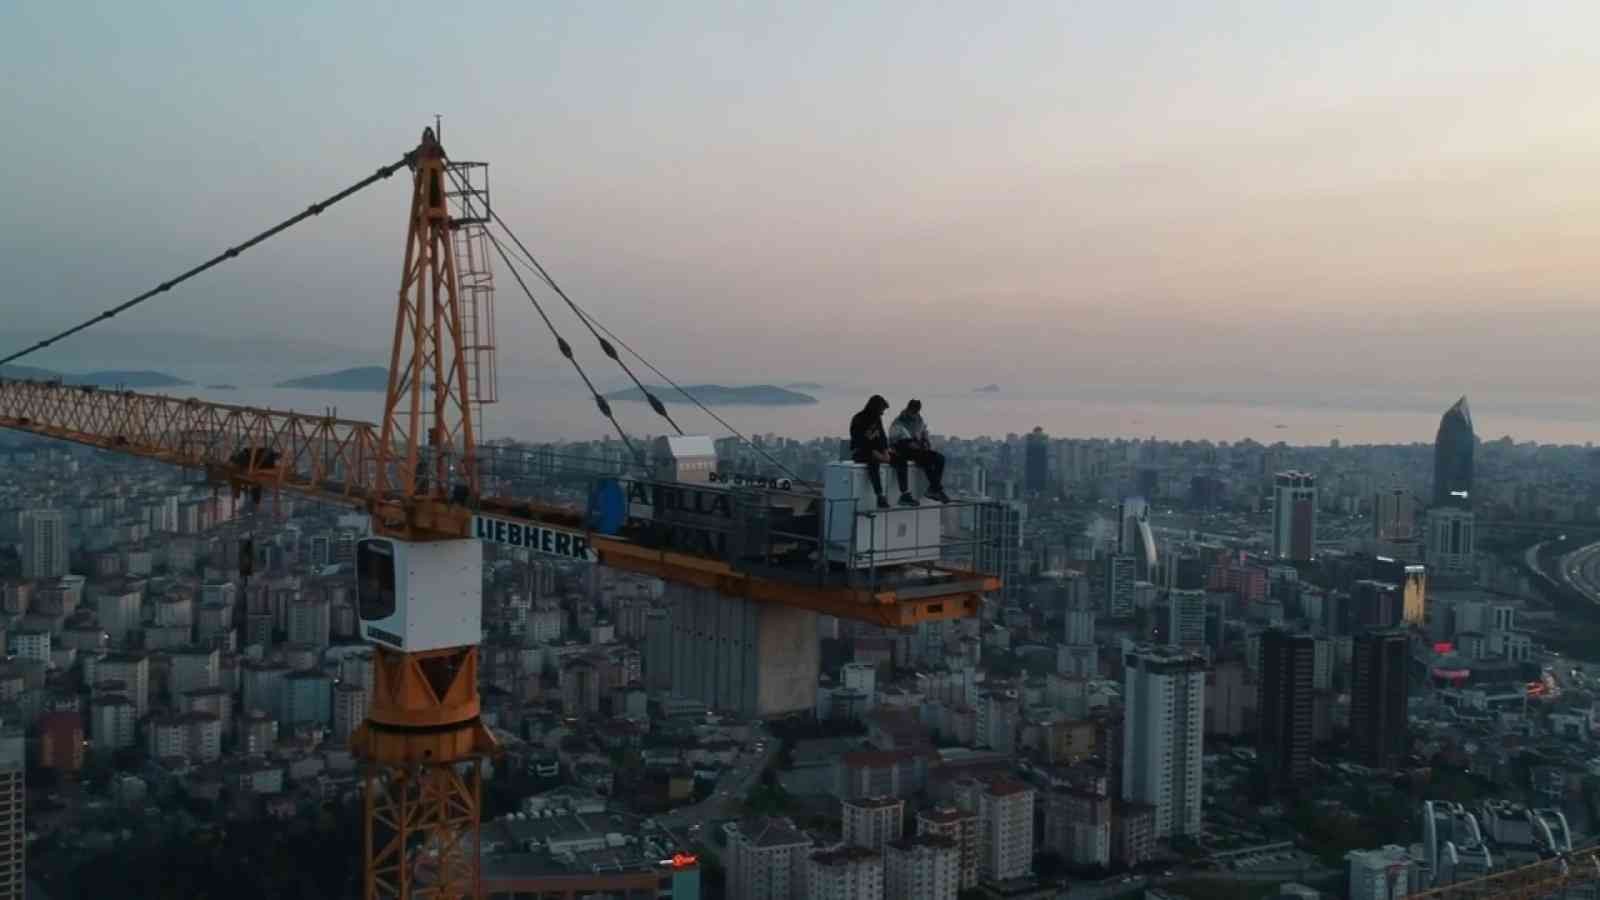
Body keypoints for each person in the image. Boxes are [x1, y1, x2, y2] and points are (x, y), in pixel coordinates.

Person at [890, 399, 951, 504]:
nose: (915, 414)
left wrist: (926, 441)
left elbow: (923, 432)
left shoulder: (919, 419)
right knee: (927, 460)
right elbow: (894, 440)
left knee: (940, 458)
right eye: (913, 411)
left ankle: (934, 488)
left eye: (917, 412)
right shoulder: (899, 422)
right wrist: (910, 444)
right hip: (904, 450)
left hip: (918, 449)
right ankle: (936, 489)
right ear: (908, 409)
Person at [848, 394, 894, 509]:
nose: (882, 413)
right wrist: (875, 452)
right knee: (873, 463)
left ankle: (902, 493)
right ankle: (880, 495)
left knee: (898, 458)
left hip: (877, 451)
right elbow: (859, 441)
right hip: (861, 452)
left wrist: (885, 452)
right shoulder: (859, 419)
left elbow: (882, 437)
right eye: (881, 410)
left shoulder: (877, 419)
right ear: (875, 408)